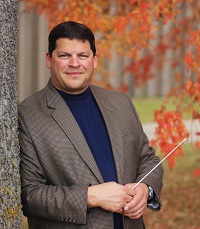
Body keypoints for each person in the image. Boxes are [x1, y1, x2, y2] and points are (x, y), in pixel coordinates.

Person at [18, 21, 164, 229]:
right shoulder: (28, 115)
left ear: (94, 60)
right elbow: (29, 194)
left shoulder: (120, 102)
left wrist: (145, 189)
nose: (75, 64)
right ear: (49, 59)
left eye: (83, 56)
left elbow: (147, 158)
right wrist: (90, 196)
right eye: (64, 55)